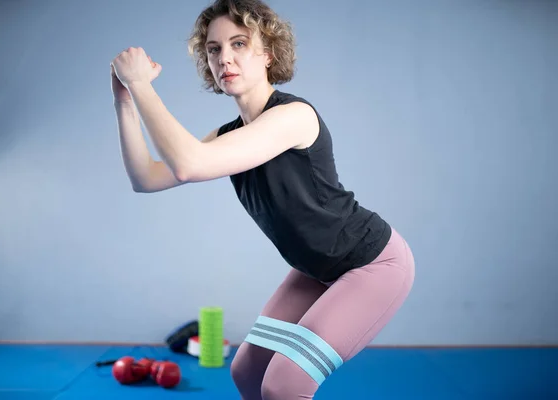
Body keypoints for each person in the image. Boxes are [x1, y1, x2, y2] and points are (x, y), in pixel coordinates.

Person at [110, 0, 415, 398]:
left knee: (285, 382)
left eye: (239, 44)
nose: (225, 58)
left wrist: (142, 84)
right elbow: (146, 178)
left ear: (268, 53)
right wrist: (125, 99)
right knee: (248, 372)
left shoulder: (294, 116)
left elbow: (188, 164)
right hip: (315, 268)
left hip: (373, 264)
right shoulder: (228, 136)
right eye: (214, 49)